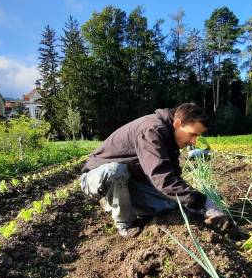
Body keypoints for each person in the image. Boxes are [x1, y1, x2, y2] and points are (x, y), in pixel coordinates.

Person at [79, 102, 228, 238]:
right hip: (95, 178)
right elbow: (162, 178)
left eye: (198, 136)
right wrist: (204, 201)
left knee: (169, 204)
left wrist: (200, 209)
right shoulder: (152, 130)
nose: (194, 141)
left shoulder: (170, 138)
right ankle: (124, 223)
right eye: (192, 134)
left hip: (130, 180)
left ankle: (115, 202)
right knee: (116, 170)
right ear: (177, 123)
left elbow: (174, 178)